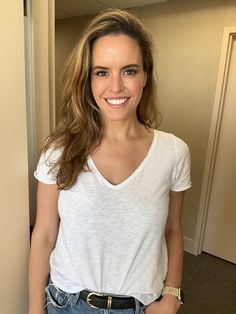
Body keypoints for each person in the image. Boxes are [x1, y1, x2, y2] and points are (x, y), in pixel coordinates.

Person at [29, 8, 191, 314]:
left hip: (140, 306)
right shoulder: (59, 151)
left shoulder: (173, 153)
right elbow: (44, 234)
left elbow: (172, 229)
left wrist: (172, 295)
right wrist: (33, 310)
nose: (115, 87)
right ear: (87, 79)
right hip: (67, 305)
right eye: (102, 72)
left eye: (129, 71)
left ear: (146, 76)